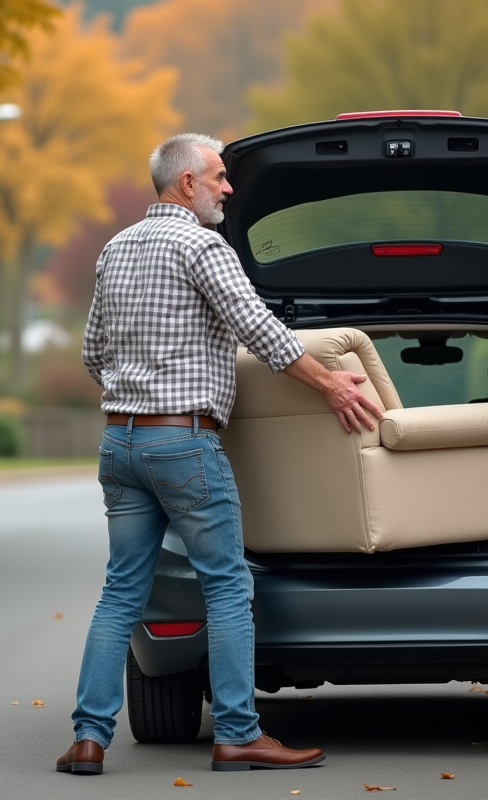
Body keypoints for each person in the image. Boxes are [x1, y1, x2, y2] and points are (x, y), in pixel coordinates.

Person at [57, 133, 382, 776]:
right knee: (228, 586)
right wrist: (330, 383)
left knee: (121, 591)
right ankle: (238, 733)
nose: (227, 188)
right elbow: (258, 328)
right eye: (219, 177)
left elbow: (93, 352)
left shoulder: (116, 248)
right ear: (186, 184)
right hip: (182, 441)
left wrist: (136, 397)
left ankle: (89, 740)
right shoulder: (204, 245)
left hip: (119, 442)